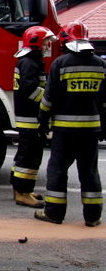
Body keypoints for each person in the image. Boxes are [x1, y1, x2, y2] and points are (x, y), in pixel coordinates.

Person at [35, 21, 104, 227]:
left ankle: (54, 213)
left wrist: (42, 120)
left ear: (66, 40)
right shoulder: (101, 65)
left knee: (57, 170)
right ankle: (92, 217)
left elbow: (49, 98)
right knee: (89, 172)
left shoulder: (60, 64)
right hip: (91, 131)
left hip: (65, 131)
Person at [11, 25, 56, 208]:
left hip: (27, 118)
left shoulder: (28, 60)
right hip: (31, 119)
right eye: (46, 41)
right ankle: (23, 193)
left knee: (24, 154)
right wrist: (49, 99)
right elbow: (29, 90)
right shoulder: (30, 62)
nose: (48, 45)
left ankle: (20, 190)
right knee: (29, 156)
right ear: (36, 42)